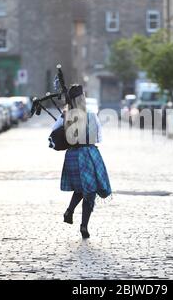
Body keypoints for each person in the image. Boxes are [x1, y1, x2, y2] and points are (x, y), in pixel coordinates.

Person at [51, 85, 111, 239]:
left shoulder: (65, 116)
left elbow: (53, 136)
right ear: (82, 98)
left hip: (72, 156)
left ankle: (70, 211)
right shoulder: (91, 115)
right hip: (88, 155)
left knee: (82, 188)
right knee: (89, 190)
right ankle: (84, 225)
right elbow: (98, 137)